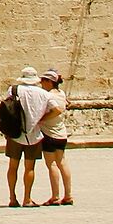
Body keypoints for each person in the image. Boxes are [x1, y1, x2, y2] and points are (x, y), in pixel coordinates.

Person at [2, 67, 53, 207]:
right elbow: (57, 109)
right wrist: (41, 119)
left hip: (15, 133)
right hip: (34, 134)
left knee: (13, 166)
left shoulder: (13, 90)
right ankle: (27, 198)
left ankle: (12, 198)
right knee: (29, 168)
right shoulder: (44, 94)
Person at [38, 70, 74, 206]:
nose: (41, 83)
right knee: (62, 162)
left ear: (49, 82)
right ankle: (68, 195)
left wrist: (41, 119)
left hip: (49, 133)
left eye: (43, 80)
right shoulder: (61, 93)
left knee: (51, 164)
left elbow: (57, 110)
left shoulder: (47, 96)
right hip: (61, 133)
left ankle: (55, 196)